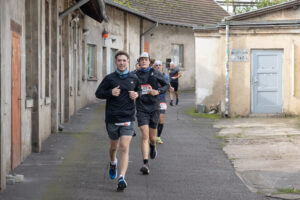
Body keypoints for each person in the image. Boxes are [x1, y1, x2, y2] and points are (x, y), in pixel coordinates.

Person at [95, 51, 140, 191]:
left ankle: (122, 177)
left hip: (128, 117)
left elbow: (139, 92)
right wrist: (110, 93)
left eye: (124, 60)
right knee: (114, 147)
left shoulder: (134, 77)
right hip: (112, 118)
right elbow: (98, 93)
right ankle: (113, 162)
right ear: (115, 62)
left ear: (128, 62)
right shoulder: (109, 78)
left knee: (125, 147)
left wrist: (136, 94)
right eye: (119, 60)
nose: (121, 63)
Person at [135, 52, 169, 175]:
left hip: (154, 108)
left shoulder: (155, 73)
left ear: (150, 62)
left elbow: (166, 85)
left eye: (146, 59)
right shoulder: (135, 75)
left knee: (152, 138)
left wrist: (158, 91)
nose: (144, 61)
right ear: (138, 62)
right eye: (141, 59)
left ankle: (153, 147)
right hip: (141, 108)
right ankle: (145, 163)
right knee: (144, 135)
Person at [153, 60, 170, 144]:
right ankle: (151, 135)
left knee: (161, 119)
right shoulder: (151, 75)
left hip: (161, 99)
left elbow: (167, 86)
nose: (158, 66)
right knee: (153, 119)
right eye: (156, 65)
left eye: (160, 65)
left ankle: (158, 137)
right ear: (154, 66)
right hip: (152, 99)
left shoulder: (165, 76)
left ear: (162, 66)